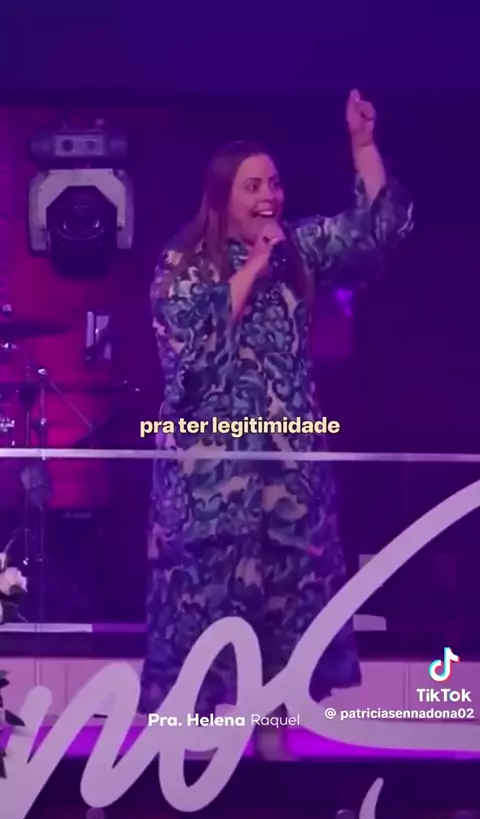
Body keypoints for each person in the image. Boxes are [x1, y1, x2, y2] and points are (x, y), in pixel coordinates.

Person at [140, 90, 413, 759]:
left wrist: (362, 147)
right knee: (202, 617)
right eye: (253, 186)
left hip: (288, 481)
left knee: (284, 618)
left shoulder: (301, 252)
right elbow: (192, 349)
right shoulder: (182, 265)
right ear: (222, 196)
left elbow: (378, 230)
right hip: (209, 489)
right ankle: (187, 767)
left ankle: (274, 757)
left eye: (274, 184)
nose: (269, 197)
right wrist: (257, 264)